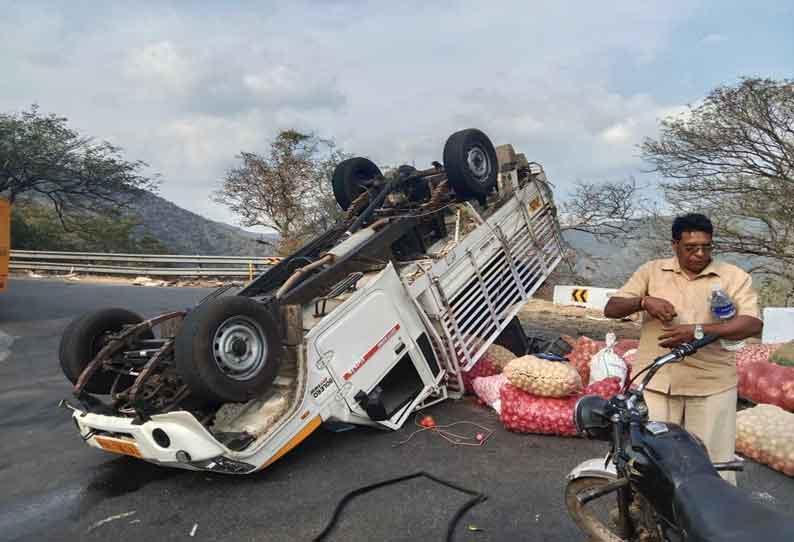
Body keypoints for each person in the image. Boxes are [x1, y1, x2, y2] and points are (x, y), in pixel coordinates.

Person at [604, 213, 763, 485]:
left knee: (714, 468)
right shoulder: (652, 272)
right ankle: (651, 524)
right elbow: (612, 308)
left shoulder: (733, 277)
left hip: (712, 386)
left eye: (707, 246)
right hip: (658, 385)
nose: (700, 254)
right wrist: (644, 302)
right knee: (651, 463)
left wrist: (699, 331)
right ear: (675, 244)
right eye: (691, 248)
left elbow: (751, 323)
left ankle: (712, 524)